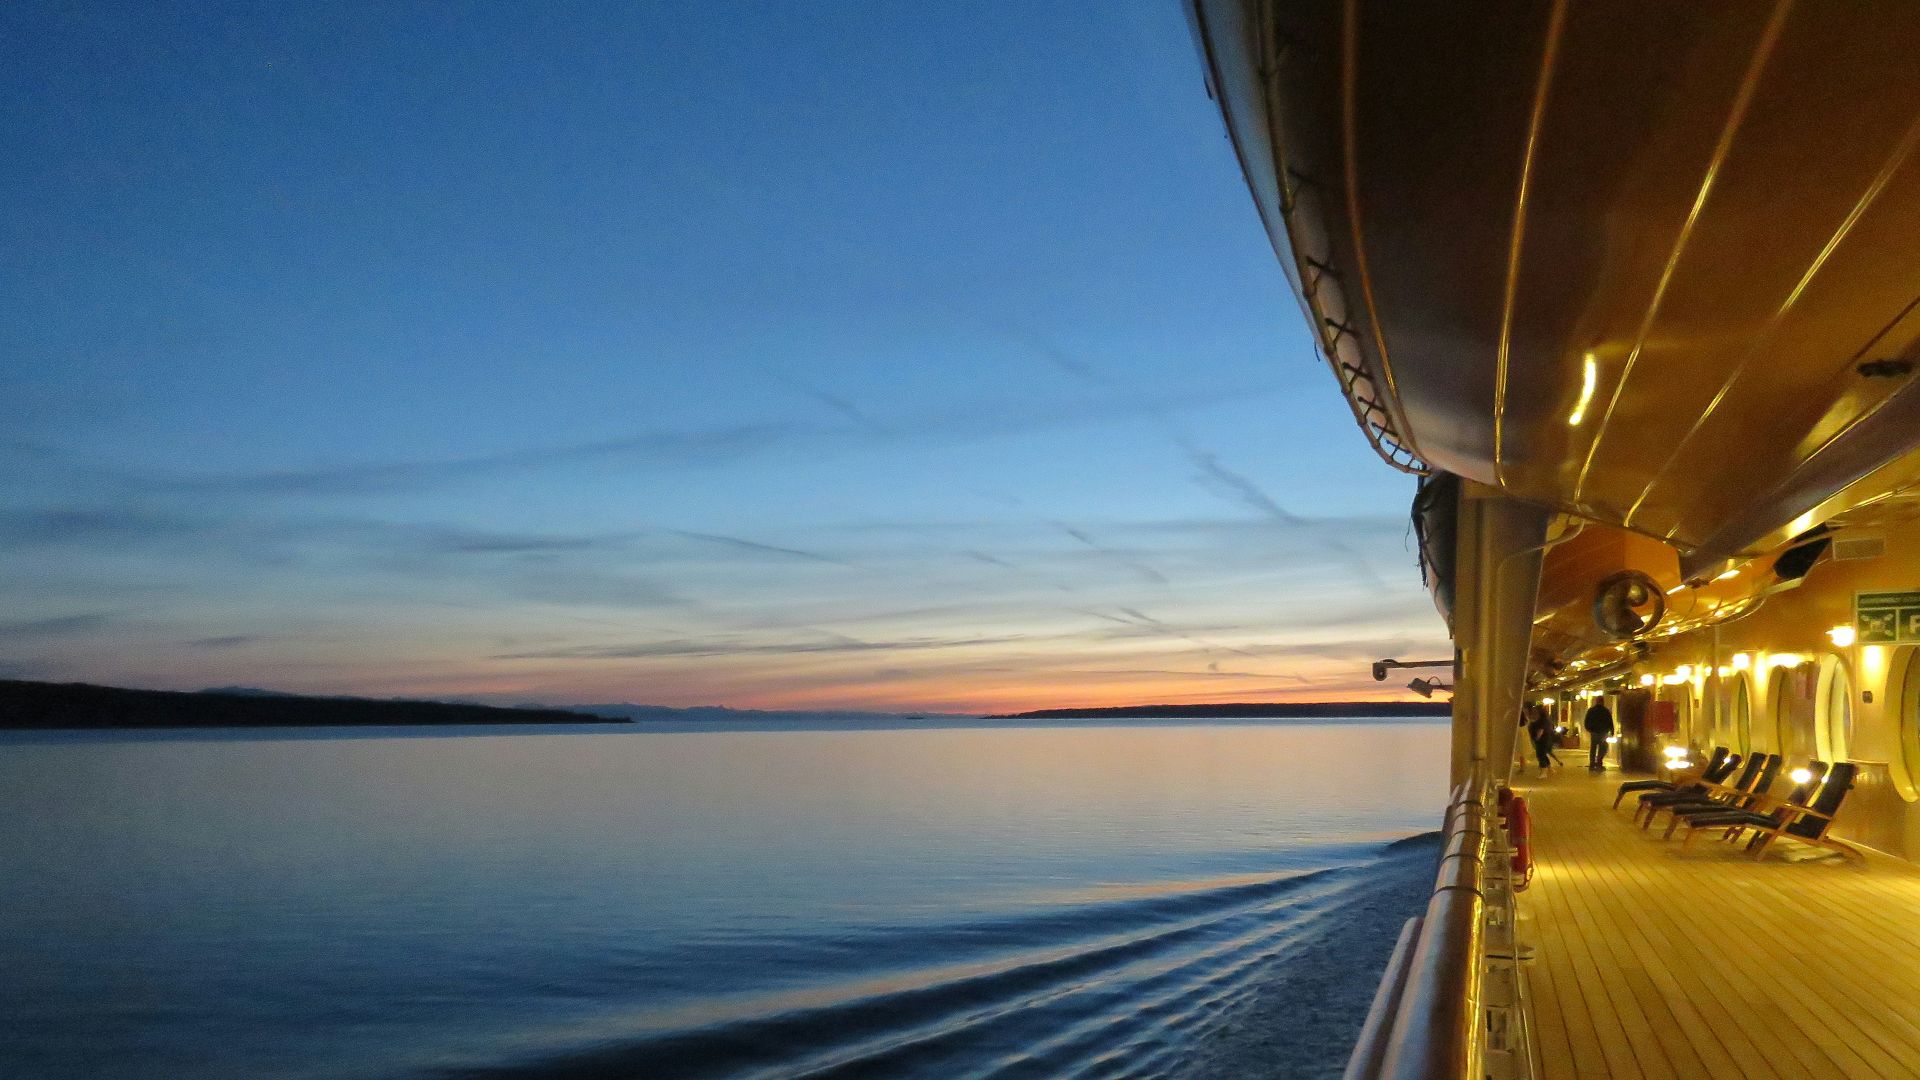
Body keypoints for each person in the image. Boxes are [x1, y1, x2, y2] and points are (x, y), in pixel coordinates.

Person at [1584, 698, 1615, 771]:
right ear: (1602, 702)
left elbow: (1586, 721)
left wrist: (1589, 729)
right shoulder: (1605, 711)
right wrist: (1611, 731)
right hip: (1603, 732)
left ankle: (1592, 764)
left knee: (1593, 748)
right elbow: (1610, 721)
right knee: (1603, 748)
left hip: (1594, 732)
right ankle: (1599, 762)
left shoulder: (1591, 710)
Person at [1526, 704, 1557, 778]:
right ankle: (1549, 769)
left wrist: (1537, 737)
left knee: (1540, 755)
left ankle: (1543, 772)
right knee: (1543, 754)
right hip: (1544, 739)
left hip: (1542, 740)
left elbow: (1541, 730)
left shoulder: (1542, 720)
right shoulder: (1543, 719)